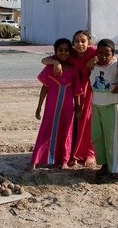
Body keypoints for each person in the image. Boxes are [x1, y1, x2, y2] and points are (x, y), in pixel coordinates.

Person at [41, 30, 96, 166]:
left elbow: (112, 56)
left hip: (90, 91)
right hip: (73, 92)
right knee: (74, 123)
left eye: (83, 41)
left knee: (87, 121)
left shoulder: (94, 51)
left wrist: (96, 59)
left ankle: (89, 153)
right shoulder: (70, 54)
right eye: (76, 41)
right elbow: (44, 60)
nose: (79, 44)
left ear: (89, 42)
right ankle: (72, 153)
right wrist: (55, 62)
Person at [31, 38, 82, 169]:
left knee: (66, 132)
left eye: (66, 50)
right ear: (55, 51)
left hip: (68, 109)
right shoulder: (50, 68)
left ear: (70, 52)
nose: (63, 53)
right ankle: (37, 159)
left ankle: (64, 160)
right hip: (51, 107)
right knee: (46, 130)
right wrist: (39, 106)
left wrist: (78, 108)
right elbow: (44, 88)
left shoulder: (74, 71)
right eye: (60, 50)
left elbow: (77, 93)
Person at [90, 39, 118, 179]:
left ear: (113, 54)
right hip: (95, 106)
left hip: (109, 107)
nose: (103, 56)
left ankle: (113, 168)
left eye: (107, 54)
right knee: (97, 137)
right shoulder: (92, 65)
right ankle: (103, 164)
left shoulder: (116, 65)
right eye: (100, 53)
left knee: (111, 139)